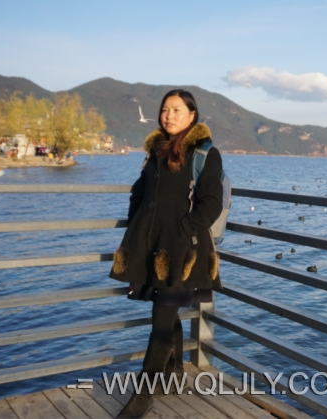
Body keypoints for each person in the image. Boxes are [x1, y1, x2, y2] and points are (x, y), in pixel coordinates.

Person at [110, 89, 223, 418]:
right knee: (165, 311)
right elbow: (140, 193)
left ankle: (142, 397)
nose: (169, 115)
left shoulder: (204, 153)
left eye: (176, 110)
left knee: (161, 320)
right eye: (165, 109)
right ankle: (173, 370)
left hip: (184, 250)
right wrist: (136, 229)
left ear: (192, 115)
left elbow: (212, 202)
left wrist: (185, 230)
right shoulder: (155, 150)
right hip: (150, 244)